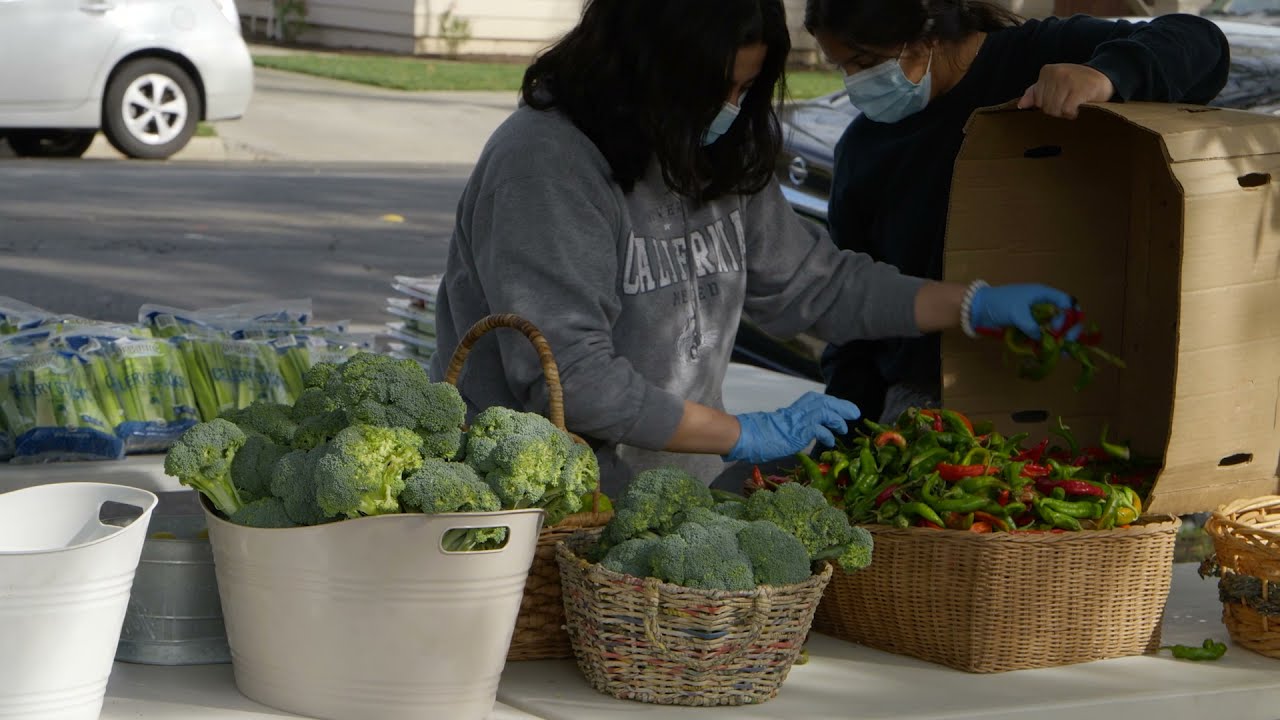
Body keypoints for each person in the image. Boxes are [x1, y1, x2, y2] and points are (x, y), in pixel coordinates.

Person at [429, 0, 1083, 496]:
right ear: (639, 68)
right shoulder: (545, 163)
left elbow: (812, 282)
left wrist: (968, 305)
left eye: (744, 90)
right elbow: (571, 381)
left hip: (669, 499)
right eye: (715, 90)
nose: (731, 109)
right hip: (532, 507)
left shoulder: (714, 148)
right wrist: (746, 433)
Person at [804, 0, 1231, 426]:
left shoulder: (1038, 54)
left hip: (1076, 398)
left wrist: (1107, 75)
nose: (856, 84)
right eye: (842, 68)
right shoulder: (865, 148)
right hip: (927, 406)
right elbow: (853, 308)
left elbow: (1201, 42)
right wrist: (848, 426)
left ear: (928, 31)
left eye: (865, 62)